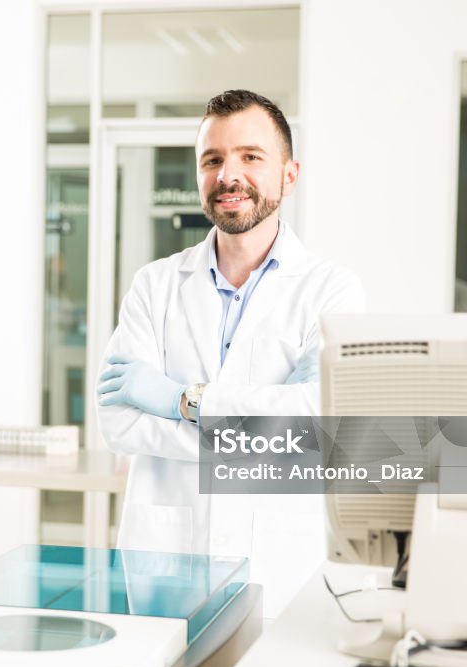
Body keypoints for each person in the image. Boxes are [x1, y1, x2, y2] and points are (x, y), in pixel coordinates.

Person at [95, 90, 365, 604]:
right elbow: (119, 421)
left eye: (250, 157)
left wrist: (183, 402)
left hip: (280, 561)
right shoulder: (155, 285)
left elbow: (317, 428)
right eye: (212, 160)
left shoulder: (332, 291)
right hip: (168, 556)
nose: (228, 175)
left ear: (289, 174)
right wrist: (263, 436)